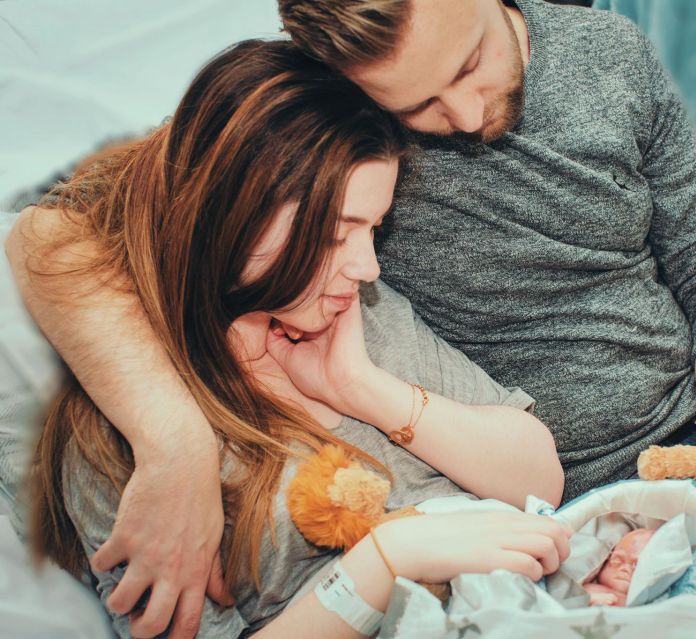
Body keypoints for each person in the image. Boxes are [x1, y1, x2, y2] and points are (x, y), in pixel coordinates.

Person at [7, 0, 696, 635]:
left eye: (468, 63)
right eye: (417, 105)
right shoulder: (319, 119)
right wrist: (171, 438)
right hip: (610, 489)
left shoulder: (609, 56)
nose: (462, 113)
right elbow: (55, 229)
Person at [19, 39, 572, 638]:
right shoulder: (111, 436)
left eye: (373, 229)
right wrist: (386, 562)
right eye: (336, 235)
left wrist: (361, 387)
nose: (368, 267)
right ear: (233, 211)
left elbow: (539, 481)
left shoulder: (354, 313)